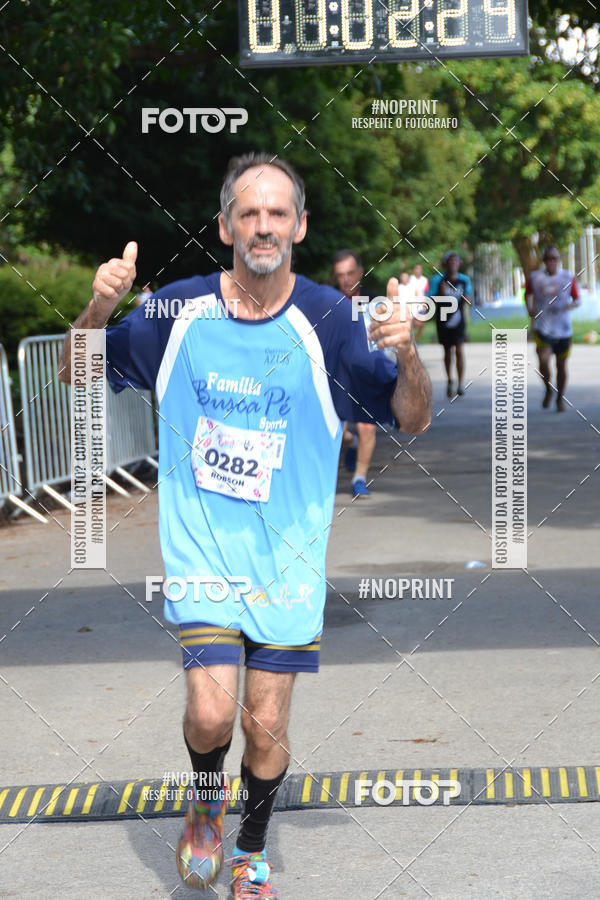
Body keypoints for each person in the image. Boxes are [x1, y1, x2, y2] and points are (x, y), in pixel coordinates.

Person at [58, 153, 431, 897]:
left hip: (288, 562)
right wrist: (99, 308)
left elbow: (412, 419)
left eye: (278, 214)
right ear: (226, 224)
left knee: (264, 724)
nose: (264, 227)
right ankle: (204, 800)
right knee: (210, 713)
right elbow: (76, 370)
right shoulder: (177, 313)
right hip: (201, 553)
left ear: (299, 225)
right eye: (249, 214)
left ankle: (251, 847)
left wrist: (408, 352)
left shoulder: (328, 321)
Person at [332, 249, 378, 498]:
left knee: (368, 428)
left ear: (360, 272)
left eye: (351, 273)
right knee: (338, 430)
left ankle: (359, 479)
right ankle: (351, 442)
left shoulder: (375, 302)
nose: (347, 279)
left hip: (366, 373)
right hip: (334, 374)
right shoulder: (327, 302)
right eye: (341, 275)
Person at [525, 245, 580, 412]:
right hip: (543, 326)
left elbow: (577, 299)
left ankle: (560, 397)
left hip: (563, 328)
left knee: (561, 365)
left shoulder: (568, 277)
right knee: (543, 360)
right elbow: (528, 294)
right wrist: (530, 309)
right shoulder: (535, 277)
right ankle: (548, 389)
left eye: (554, 258)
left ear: (558, 260)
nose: (551, 261)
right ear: (544, 261)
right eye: (548, 258)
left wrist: (571, 305)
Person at [428, 252, 472, 398]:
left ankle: (460, 383)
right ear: (445, 264)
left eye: (456, 261)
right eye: (450, 261)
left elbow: (469, 299)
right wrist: (440, 293)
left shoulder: (464, 280)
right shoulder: (437, 280)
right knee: (447, 351)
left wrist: (467, 298)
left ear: (459, 264)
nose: (453, 263)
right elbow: (429, 300)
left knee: (459, 349)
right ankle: (449, 380)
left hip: (458, 319)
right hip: (443, 320)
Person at [409, 263, 429, 343]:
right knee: (411, 323)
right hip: (411, 304)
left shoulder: (424, 280)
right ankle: (410, 339)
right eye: (417, 269)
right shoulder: (410, 279)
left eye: (420, 269)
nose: (418, 271)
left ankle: (417, 340)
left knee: (422, 323)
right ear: (414, 270)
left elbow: (425, 292)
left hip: (420, 304)